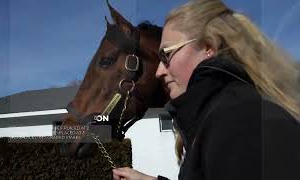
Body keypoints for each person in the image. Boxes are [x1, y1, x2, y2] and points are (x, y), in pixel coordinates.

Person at [113, 0, 300, 179]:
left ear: (209, 47)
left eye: (166, 55)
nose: (159, 72)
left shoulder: (243, 124)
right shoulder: (219, 121)